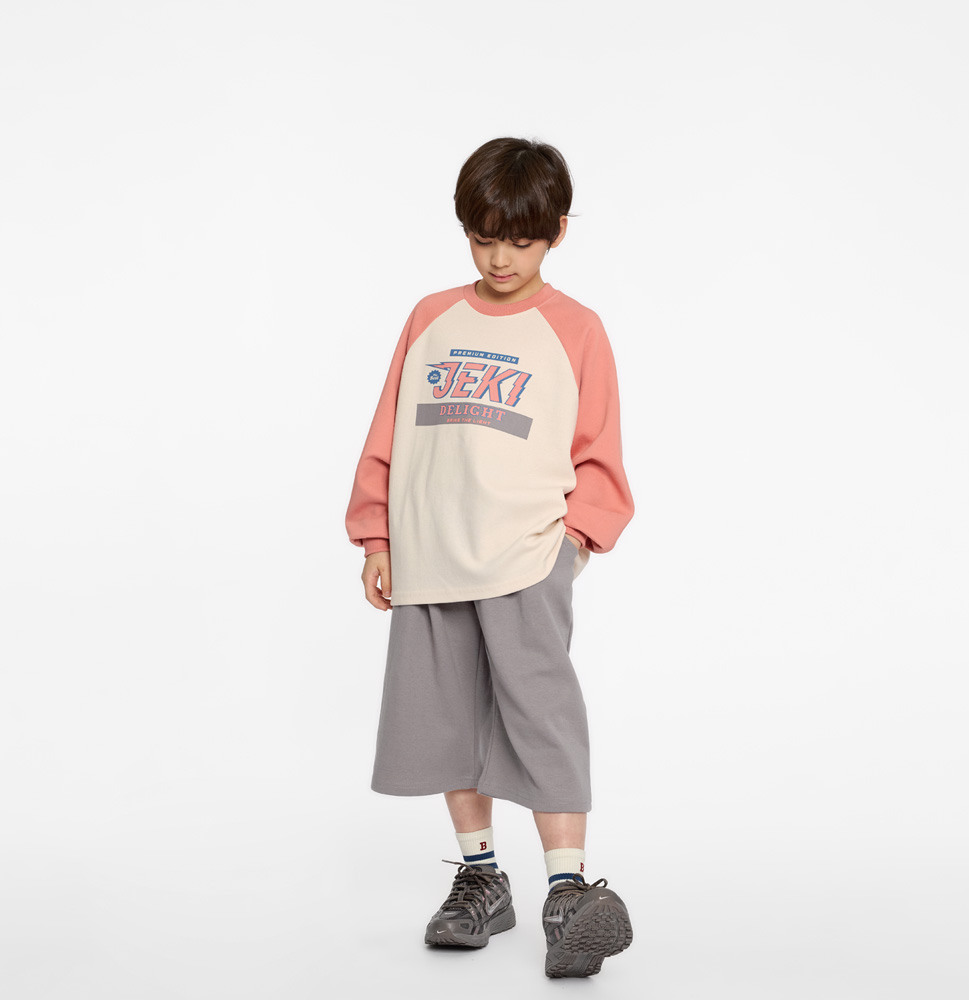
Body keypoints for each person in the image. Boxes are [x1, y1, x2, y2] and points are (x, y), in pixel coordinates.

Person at [345, 136, 635, 978]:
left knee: (541, 713)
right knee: (447, 716)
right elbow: (389, 428)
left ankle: (568, 892)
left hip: (526, 556)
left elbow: (599, 451)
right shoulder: (430, 317)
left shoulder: (575, 329)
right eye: (484, 238)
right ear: (465, 230)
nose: (501, 258)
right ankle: (481, 878)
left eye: (521, 241)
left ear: (557, 234)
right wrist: (376, 533)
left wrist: (571, 545)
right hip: (431, 552)